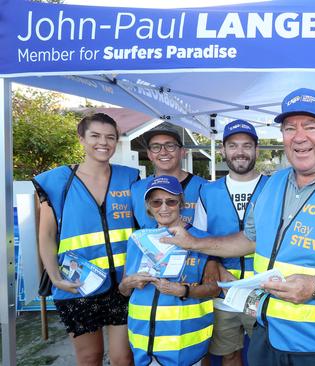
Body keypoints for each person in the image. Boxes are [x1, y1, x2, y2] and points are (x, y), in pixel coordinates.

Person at [162, 87, 315, 366]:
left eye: (310, 126)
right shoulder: (273, 183)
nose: (299, 137)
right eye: (290, 128)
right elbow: (250, 239)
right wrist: (193, 243)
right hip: (266, 333)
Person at [32, 113, 140, 366]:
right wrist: (55, 277)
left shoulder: (130, 178)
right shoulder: (57, 181)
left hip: (124, 284)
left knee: (123, 358)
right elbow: (46, 234)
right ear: (81, 139)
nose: (103, 142)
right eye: (95, 136)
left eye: (110, 137)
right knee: (89, 357)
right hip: (77, 284)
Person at [119, 175, 220, 366]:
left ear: (181, 203)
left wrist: (183, 291)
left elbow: (214, 288)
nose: (163, 208)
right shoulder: (137, 239)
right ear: (148, 206)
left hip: (184, 347)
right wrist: (128, 283)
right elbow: (123, 290)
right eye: (156, 202)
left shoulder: (201, 240)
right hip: (144, 345)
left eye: (170, 201)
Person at [193, 120, 269, 366]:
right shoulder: (208, 191)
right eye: (233, 145)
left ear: (257, 150)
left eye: (247, 145)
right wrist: (216, 266)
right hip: (223, 289)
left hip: (265, 287)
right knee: (229, 353)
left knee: (265, 353)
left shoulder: (274, 187)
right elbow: (199, 237)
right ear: (223, 151)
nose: (240, 152)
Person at [131, 125, 207, 229]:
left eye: (170, 146)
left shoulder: (205, 188)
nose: (163, 152)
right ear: (149, 154)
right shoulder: (136, 190)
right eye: (156, 147)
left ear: (182, 152)